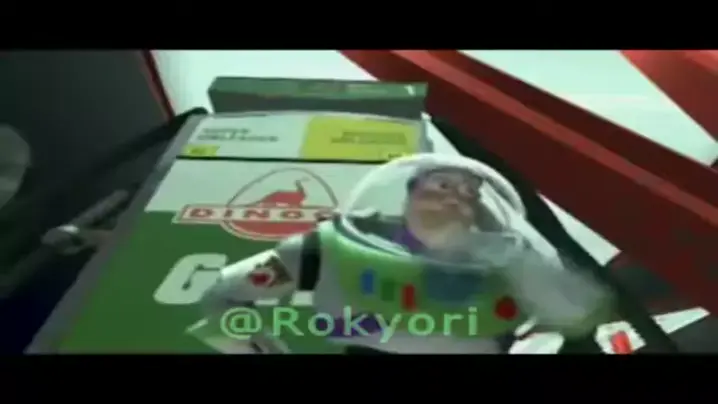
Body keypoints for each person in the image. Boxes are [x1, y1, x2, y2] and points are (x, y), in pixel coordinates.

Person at [199, 153, 614, 354]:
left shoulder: (509, 266)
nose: (458, 197)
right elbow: (223, 295)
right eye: (443, 185)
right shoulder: (322, 251)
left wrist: (521, 261)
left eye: (470, 194)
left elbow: (579, 321)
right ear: (410, 193)